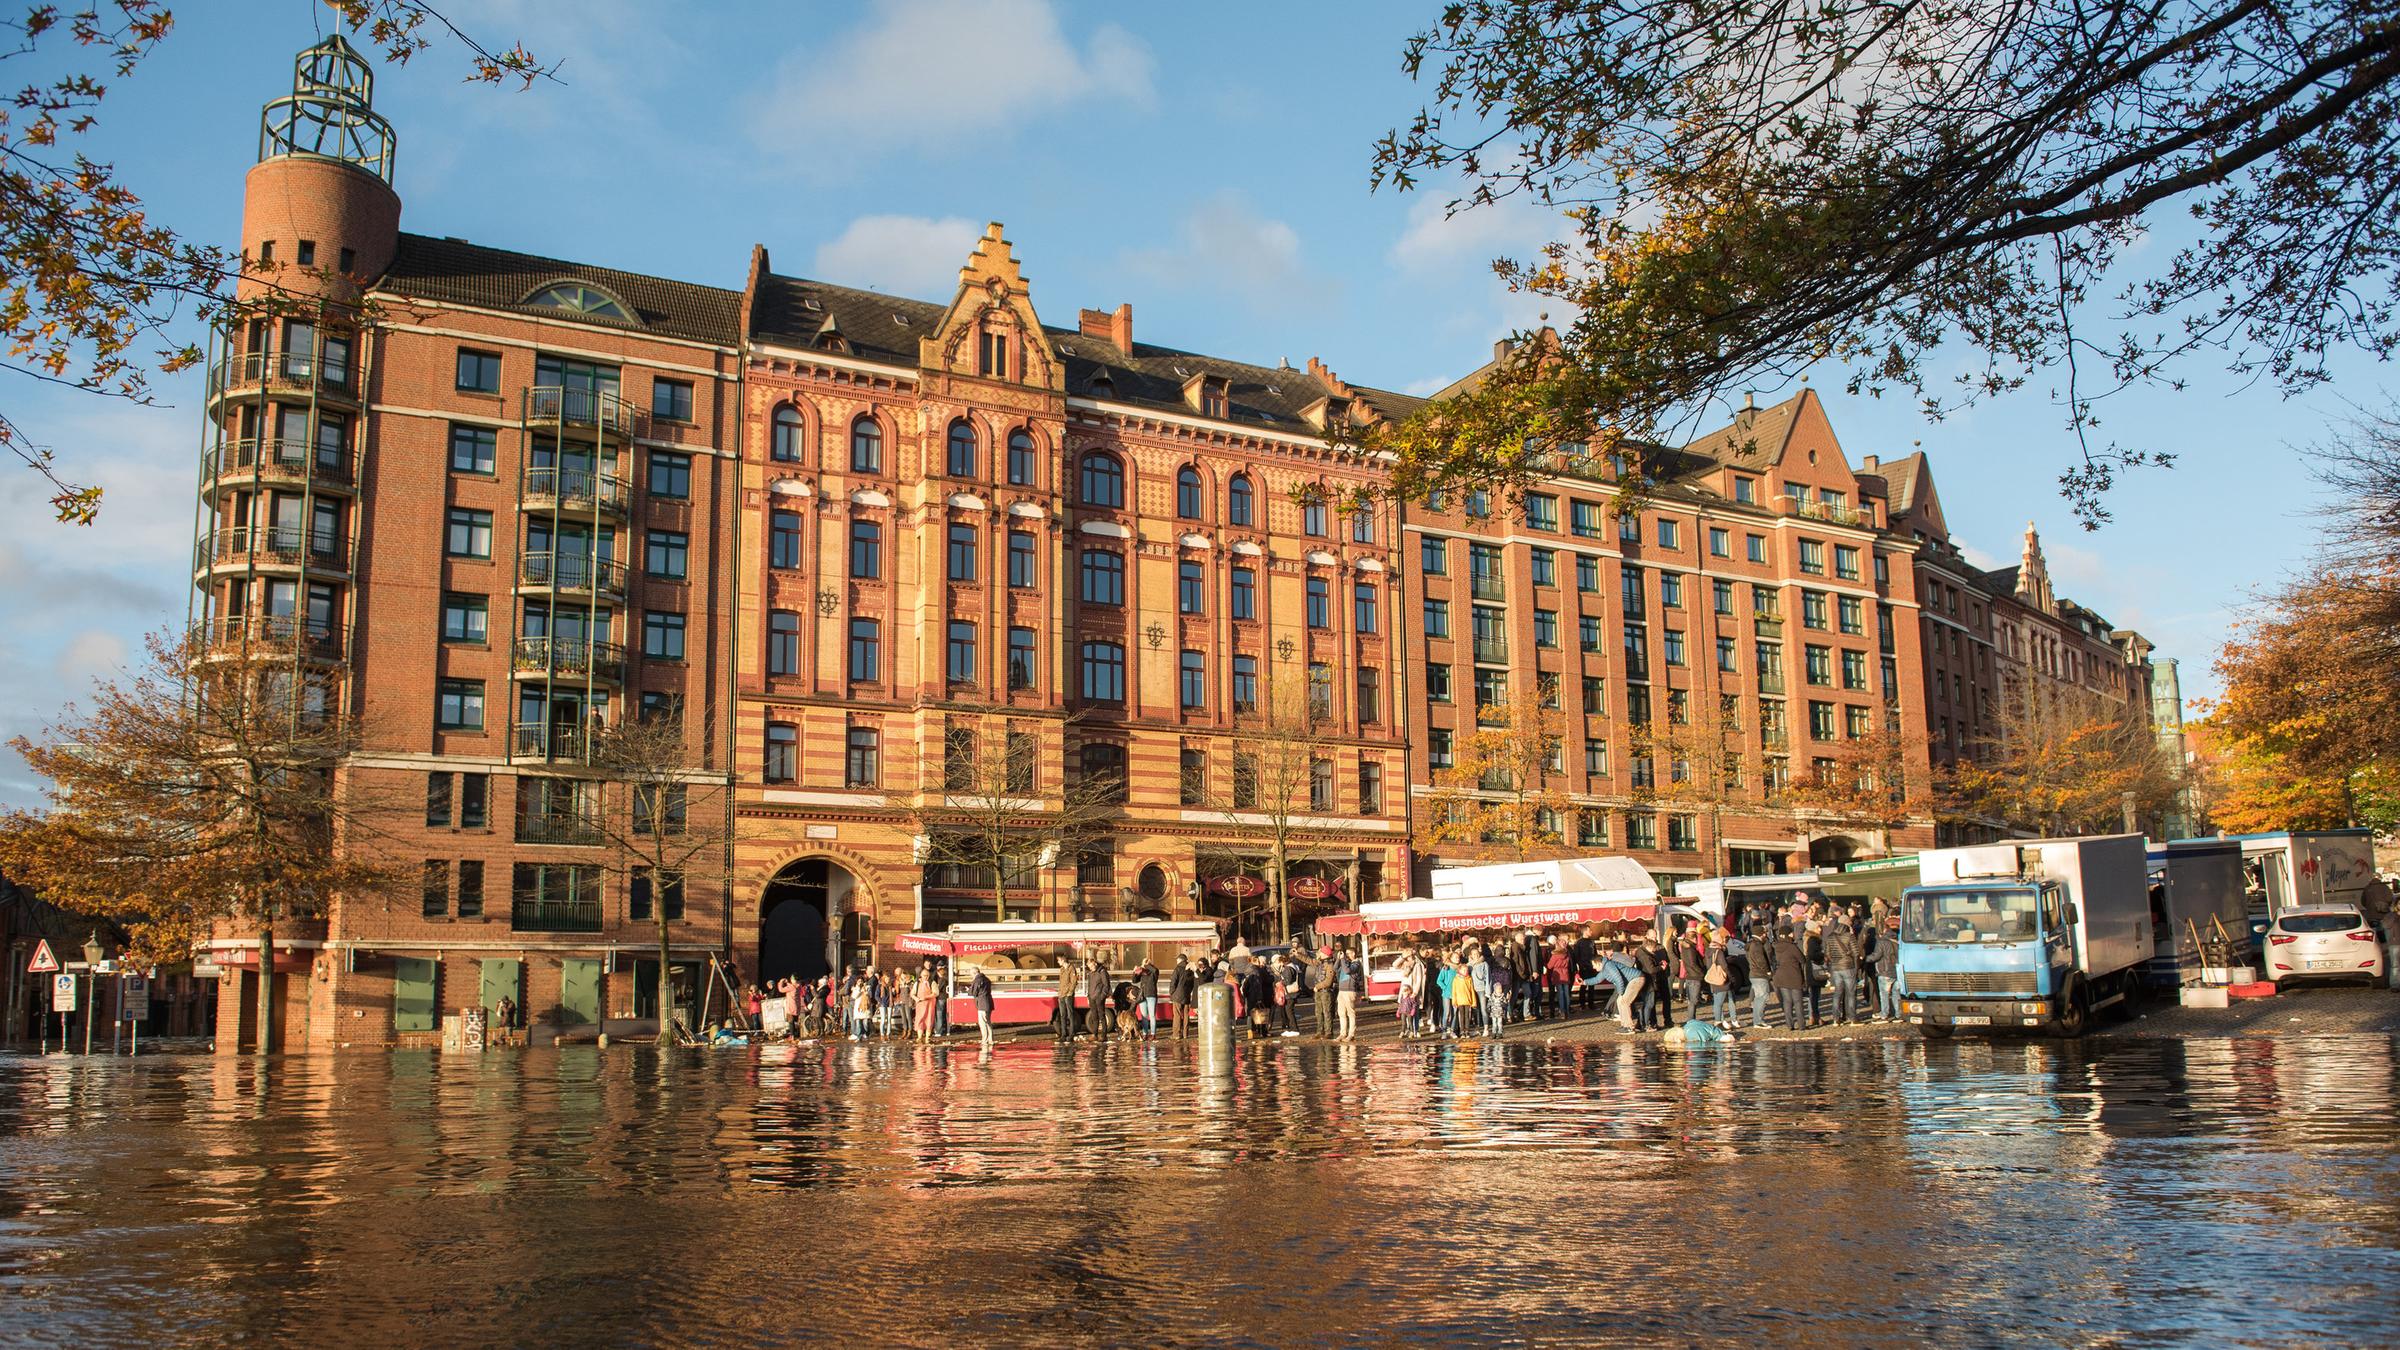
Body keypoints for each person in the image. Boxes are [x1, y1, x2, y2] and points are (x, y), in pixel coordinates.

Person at [1824, 910, 1864, 1025]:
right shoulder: (1849, 936)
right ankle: (1852, 1018)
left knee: (1837, 993)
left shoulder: (1830, 937)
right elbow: (1856, 953)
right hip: (1848, 966)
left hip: (1836, 968)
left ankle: (1836, 1018)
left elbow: (1827, 954)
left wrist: (1834, 962)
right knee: (1851, 993)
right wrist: (1857, 968)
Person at [1772, 923, 1813, 1030]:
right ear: (1788, 935)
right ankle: (1801, 1025)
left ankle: (1790, 1025)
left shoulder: (1776, 946)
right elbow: (1802, 959)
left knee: (1787, 1002)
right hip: (1794, 976)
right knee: (1798, 1002)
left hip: (1781, 976)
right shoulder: (1792, 947)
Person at [1599, 946, 1643, 1031]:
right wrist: (1585, 982)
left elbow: (1618, 979)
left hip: (1635, 979)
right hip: (1632, 979)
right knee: (1620, 1001)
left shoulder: (1611, 962)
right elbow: (1598, 978)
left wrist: (1621, 992)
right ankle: (1625, 1024)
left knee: (1623, 1001)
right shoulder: (1613, 960)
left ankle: (1629, 1026)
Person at [1872, 914, 1903, 1021]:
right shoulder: (1898, 940)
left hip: (1885, 971)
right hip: (1897, 971)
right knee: (1896, 994)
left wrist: (1865, 959)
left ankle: (1885, 1014)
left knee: (1884, 994)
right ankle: (1899, 1014)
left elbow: (1876, 956)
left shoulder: (1882, 942)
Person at [1334, 946, 1363, 1040]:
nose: (1346, 955)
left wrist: (1342, 960)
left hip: (1350, 991)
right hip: (1341, 990)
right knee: (1341, 1013)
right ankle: (1342, 1033)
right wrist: (1339, 959)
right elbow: (1335, 968)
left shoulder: (1357, 963)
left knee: (1351, 1013)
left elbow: (1347, 971)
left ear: (1353, 953)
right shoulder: (1345, 962)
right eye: (1345, 954)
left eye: (1348, 953)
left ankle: (1351, 1034)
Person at [1544, 938, 1574, 1021]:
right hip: (1565, 973)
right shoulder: (1566, 953)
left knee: (1560, 993)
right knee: (1566, 993)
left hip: (1558, 974)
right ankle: (1567, 1011)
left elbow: (1549, 966)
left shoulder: (1555, 955)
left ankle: (1562, 1011)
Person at [1169, 954, 1197, 1039]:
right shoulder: (1191, 970)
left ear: (1180, 960)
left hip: (1177, 996)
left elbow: (1173, 982)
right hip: (1187, 995)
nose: (1176, 961)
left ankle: (1176, 1034)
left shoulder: (1178, 969)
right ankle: (1185, 1034)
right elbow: (1193, 983)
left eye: (1177, 959)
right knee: (1186, 1015)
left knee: (1177, 1015)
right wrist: (1189, 991)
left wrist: (1172, 993)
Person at [1084, 957, 1113, 1040]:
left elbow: (1106, 985)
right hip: (1092, 997)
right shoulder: (1090, 973)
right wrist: (1088, 996)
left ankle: (1104, 1035)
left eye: (1091, 965)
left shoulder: (1102, 972)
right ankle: (1095, 1034)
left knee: (1101, 1015)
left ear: (1095, 963)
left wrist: (1102, 996)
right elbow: (1089, 985)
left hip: (1099, 997)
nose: (1090, 968)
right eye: (1089, 966)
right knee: (1094, 1016)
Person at [1054, 957, 1081, 1043]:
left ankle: (1071, 1034)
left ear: (1063, 960)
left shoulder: (1071, 968)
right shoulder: (1062, 969)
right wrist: (1060, 993)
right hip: (1061, 994)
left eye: (1059, 960)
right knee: (1063, 1015)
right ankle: (1063, 1034)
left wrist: (1070, 992)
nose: (1058, 962)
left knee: (1070, 1014)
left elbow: (1074, 982)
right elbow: (1061, 982)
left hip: (1068, 995)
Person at [912, 965, 940, 1042]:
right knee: (920, 1020)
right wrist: (916, 998)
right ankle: (919, 1037)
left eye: (927, 975)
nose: (926, 977)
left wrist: (926, 997)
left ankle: (928, 1037)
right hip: (920, 1005)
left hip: (929, 1004)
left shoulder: (932, 982)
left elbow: (936, 993)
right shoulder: (917, 983)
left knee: (929, 1019)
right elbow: (912, 993)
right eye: (924, 975)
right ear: (921, 975)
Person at [971, 966, 996, 1050]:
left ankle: (984, 1040)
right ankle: (991, 1040)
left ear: (975, 973)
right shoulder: (987, 979)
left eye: (971, 974)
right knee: (988, 1022)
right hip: (989, 1002)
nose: (972, 976)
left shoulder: (977, 980)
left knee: (982, 1023)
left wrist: (969, 990)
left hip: (982, 1004)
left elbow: (974, 992)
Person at [1134, 958, 1160, 1038]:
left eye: (1147, 962)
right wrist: (1135, 972)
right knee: (1144, 1016)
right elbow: (1134, 980)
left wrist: (1146, 965)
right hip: (1143, 996)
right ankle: (1145, 1033)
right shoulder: (1141, 972)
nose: (1145, 964)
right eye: (1144, 962)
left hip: (1151, 995)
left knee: (1152, 1015)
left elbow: (1154, 970)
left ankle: (1153, 1034)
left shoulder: (1154, 971)